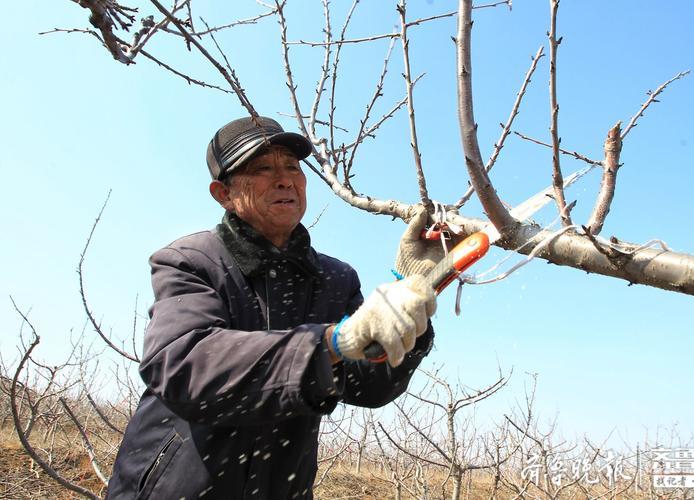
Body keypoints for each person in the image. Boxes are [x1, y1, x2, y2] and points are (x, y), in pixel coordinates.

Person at [106, 116, 445, 499]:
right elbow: (184, 366)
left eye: (293, 167)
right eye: (262, 168)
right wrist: (332, 342)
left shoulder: (336, 278)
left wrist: (415, 289)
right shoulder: (191, 260)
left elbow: (368, 385)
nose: (285, 179)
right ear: (223, 193)